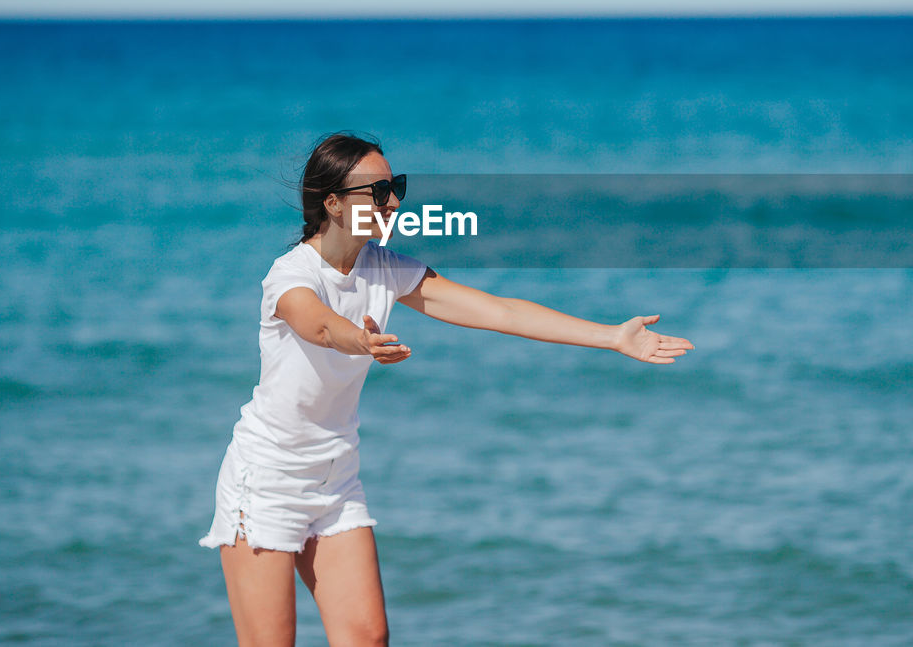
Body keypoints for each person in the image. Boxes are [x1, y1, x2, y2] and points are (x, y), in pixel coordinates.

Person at [198, 132, 694, 647]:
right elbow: (319, 324)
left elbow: (500, 311)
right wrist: (361, 341)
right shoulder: (291, 276)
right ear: (333, 203)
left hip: (335, 477)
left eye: (397, 188)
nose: (392, 202)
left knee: (367, 638)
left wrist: (612, 336)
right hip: (267, 480)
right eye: (378, 191)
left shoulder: (385, 270)